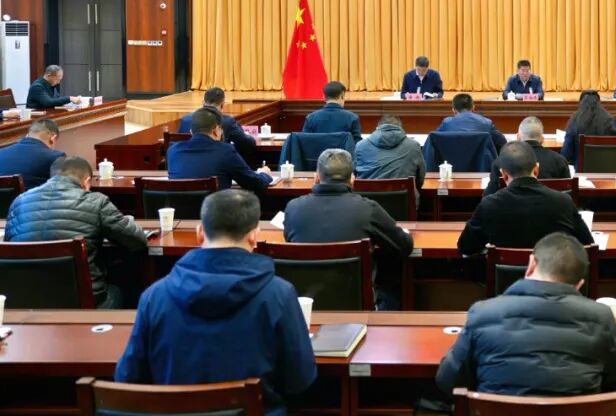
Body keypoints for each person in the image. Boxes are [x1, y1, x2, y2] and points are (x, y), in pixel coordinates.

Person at [114, 190, 316, 416]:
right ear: (254, 236)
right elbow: (300, 379)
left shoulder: (154, 296)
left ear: (200, 233)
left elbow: (128, 377)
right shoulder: (279, 294)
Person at [436, 232, 616, 396]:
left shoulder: (482, 313)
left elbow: (448, 379)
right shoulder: (601, 317)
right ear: (579, 285)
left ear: (531, 264)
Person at [4, 156, 147, 308]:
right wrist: (128, 221)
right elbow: (137, 240)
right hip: (82, 302)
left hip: (24, 300)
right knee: (124, 287)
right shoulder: (96, 202)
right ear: (86, 181)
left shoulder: (19, 201)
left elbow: (9, 245)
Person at [285, 149, 414, 310]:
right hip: (355, 306)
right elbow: (405, 245)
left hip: (303, 306)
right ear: (352, 179)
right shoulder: (367, 209)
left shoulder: (293, 208)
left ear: (316, 177)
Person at [458, 142, 593, 256]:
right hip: (551, 277)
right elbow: (587, 244)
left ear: (504, 175)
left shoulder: (489, 205)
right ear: (536, 170)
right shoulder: (563, 202)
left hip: (505, 279)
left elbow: (466, 247)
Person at [167, 108, 273, 191]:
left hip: (180, 212)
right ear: (216, 130)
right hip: (216, 212)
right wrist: (264, 174)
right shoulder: (226, 151)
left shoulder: (173, 151)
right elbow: (253, 183)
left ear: (191, 132)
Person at [484, 117, 571, 197]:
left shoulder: (501, 162)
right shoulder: (559, 161)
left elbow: (488, 196)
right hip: (550, 208)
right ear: (542, 139)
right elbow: (568, 194)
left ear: (518, 138)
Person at [178, 87, 257, 165]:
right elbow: (247, 144)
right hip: (214, 166)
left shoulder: (186, 119)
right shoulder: (227, 121)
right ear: (222, 104)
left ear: (203, 102)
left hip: (186, 165)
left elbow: (177, 144)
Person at [354, 114, 426, 190]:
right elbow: (420, 178)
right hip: (404, 196)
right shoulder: (414, 146)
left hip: (366, 196)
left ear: (377, 128)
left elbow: (354, 174)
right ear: (400, 128)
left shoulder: (360, 146)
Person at [561, 90, 616, 167]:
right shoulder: (610, 120)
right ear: (599, 103)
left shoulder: (574, 121)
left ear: (581, 103)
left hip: (582, 172)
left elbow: (566, 154)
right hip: (609, 170)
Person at [0, 119, 65, 189]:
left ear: (27, 135)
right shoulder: (55, 157)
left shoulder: (1, 153)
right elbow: (64, 188)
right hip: (36, 196)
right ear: (52, 138)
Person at [436, 93, 507, 151]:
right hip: (482, 164)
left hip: (452, 163)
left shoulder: (447, 123)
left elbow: (433, 142)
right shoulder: (487, 123)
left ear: (453, 110)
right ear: (473, 108)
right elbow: (503, 145)